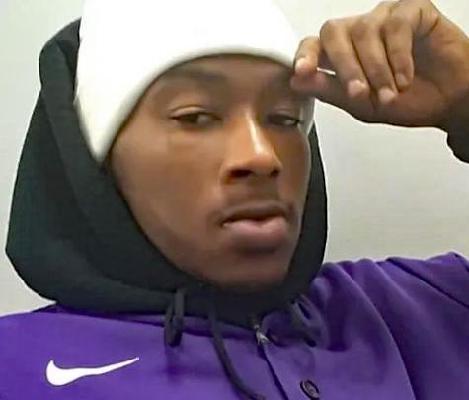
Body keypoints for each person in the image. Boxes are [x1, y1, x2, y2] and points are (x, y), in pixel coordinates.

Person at [1, 0, 468, 398]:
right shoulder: (17, 365)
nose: (261, 156)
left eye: (285, 118)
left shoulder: (414, 307)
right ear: (95, 161)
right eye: (195, 116)